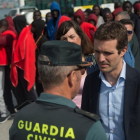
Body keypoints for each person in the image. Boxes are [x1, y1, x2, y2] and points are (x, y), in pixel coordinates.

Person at [9, 41, 107, 140]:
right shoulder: (90, 128)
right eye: (81, 71)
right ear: (72, 77)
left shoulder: (20, 117)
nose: (82, 74)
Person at [81, 21, 140, 140]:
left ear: (123, 51)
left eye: (107, 53)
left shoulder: (137, 81)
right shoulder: (90, 81)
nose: (101, 58)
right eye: (97, 52)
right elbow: (86, 122)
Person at [56, 20, 98, 108]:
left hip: (89, 114)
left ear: (81, 37)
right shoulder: (57, 63)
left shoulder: (93, 60)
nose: (69, 41)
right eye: (64, 39)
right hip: (67, 113)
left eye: (72, 37)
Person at [0, 19, 17, 123]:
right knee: (6, 90)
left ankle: (5, 113)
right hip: (6, 65)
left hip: (10, 65)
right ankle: (9, 109)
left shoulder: (9, 34)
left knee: (8, 89)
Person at [31, 20, 48, 96]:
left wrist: (41, 74)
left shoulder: (43, 40)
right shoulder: (34, 38)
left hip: (41, 69)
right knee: (38, 90)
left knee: (43, 90)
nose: (31, 28)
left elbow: (44, 58)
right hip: (35, 68)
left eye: (33, 27)